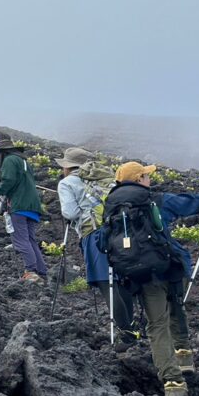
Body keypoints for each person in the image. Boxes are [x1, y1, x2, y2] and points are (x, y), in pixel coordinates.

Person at [100, 162, 199, 396]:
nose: (149, 179)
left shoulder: (110, 206)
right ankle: (180, 371)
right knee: (176, 307)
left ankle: (175, 382)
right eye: (147, 175)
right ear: (140, 178)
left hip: (137, 273)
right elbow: (195, 202)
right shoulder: (154, 199)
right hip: (166, 266)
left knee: (157, 324)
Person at [56, 147, 138, 345]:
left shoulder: (67, 183)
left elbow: (70, 213)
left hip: (94, 235)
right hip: (120, 232)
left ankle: (125, 332)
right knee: (120, 279)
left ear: (68, 167)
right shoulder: (104, 178)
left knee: (105, 281)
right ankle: (134, 327)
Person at [0, 139, 48, 282]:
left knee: (20, 240)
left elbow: (8, 182)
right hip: (33, 206)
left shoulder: (9, 160)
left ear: (2, 153)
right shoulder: (24, 162)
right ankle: (41, 273)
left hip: (19, 205)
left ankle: (31, 272)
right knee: (31, 240)